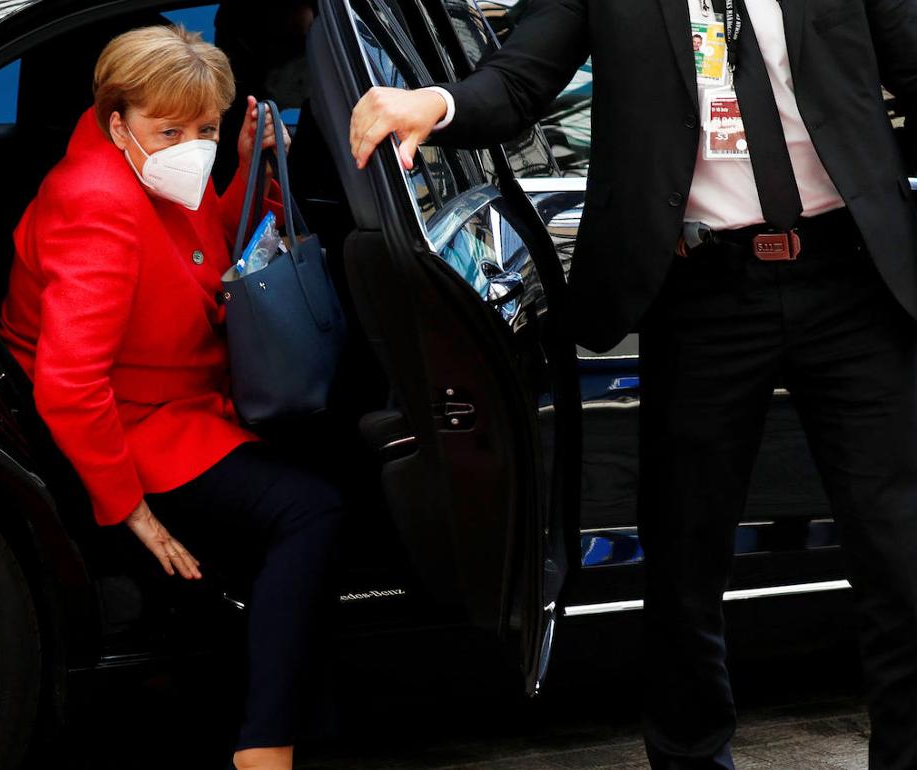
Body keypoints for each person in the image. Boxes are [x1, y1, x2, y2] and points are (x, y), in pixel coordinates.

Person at [351, 1, 917, 768]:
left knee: (901, 559)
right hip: (703, 295)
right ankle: (691, 758)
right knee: (684, 566)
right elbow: (519, 83)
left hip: (851, 280)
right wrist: (434, 103)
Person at [0, 25, 341, 770]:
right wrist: (131, 509)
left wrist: (249, 169)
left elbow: (196, 254)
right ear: (118, 121)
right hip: (133, 426)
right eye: (171, 129)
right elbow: (70, 382)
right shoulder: (97, 206)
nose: (192, 144)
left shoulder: (145, 169)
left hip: (180, 402)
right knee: (310, 510)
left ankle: (283, 709)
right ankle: (266, 745)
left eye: (207, 129)